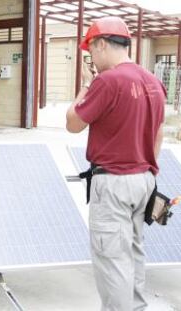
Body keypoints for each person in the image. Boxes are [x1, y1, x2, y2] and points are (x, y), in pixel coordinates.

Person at [66, 17, 166, 310]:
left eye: (92, 52)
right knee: (134, 253)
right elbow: (158, 132)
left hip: (113, 183)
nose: (93, 60)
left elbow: (73, 123)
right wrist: (147, 167)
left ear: (101, 44)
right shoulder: (152, 81)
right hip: (144, 178)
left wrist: (86, 86)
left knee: (112, 260)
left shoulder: (107, 81)